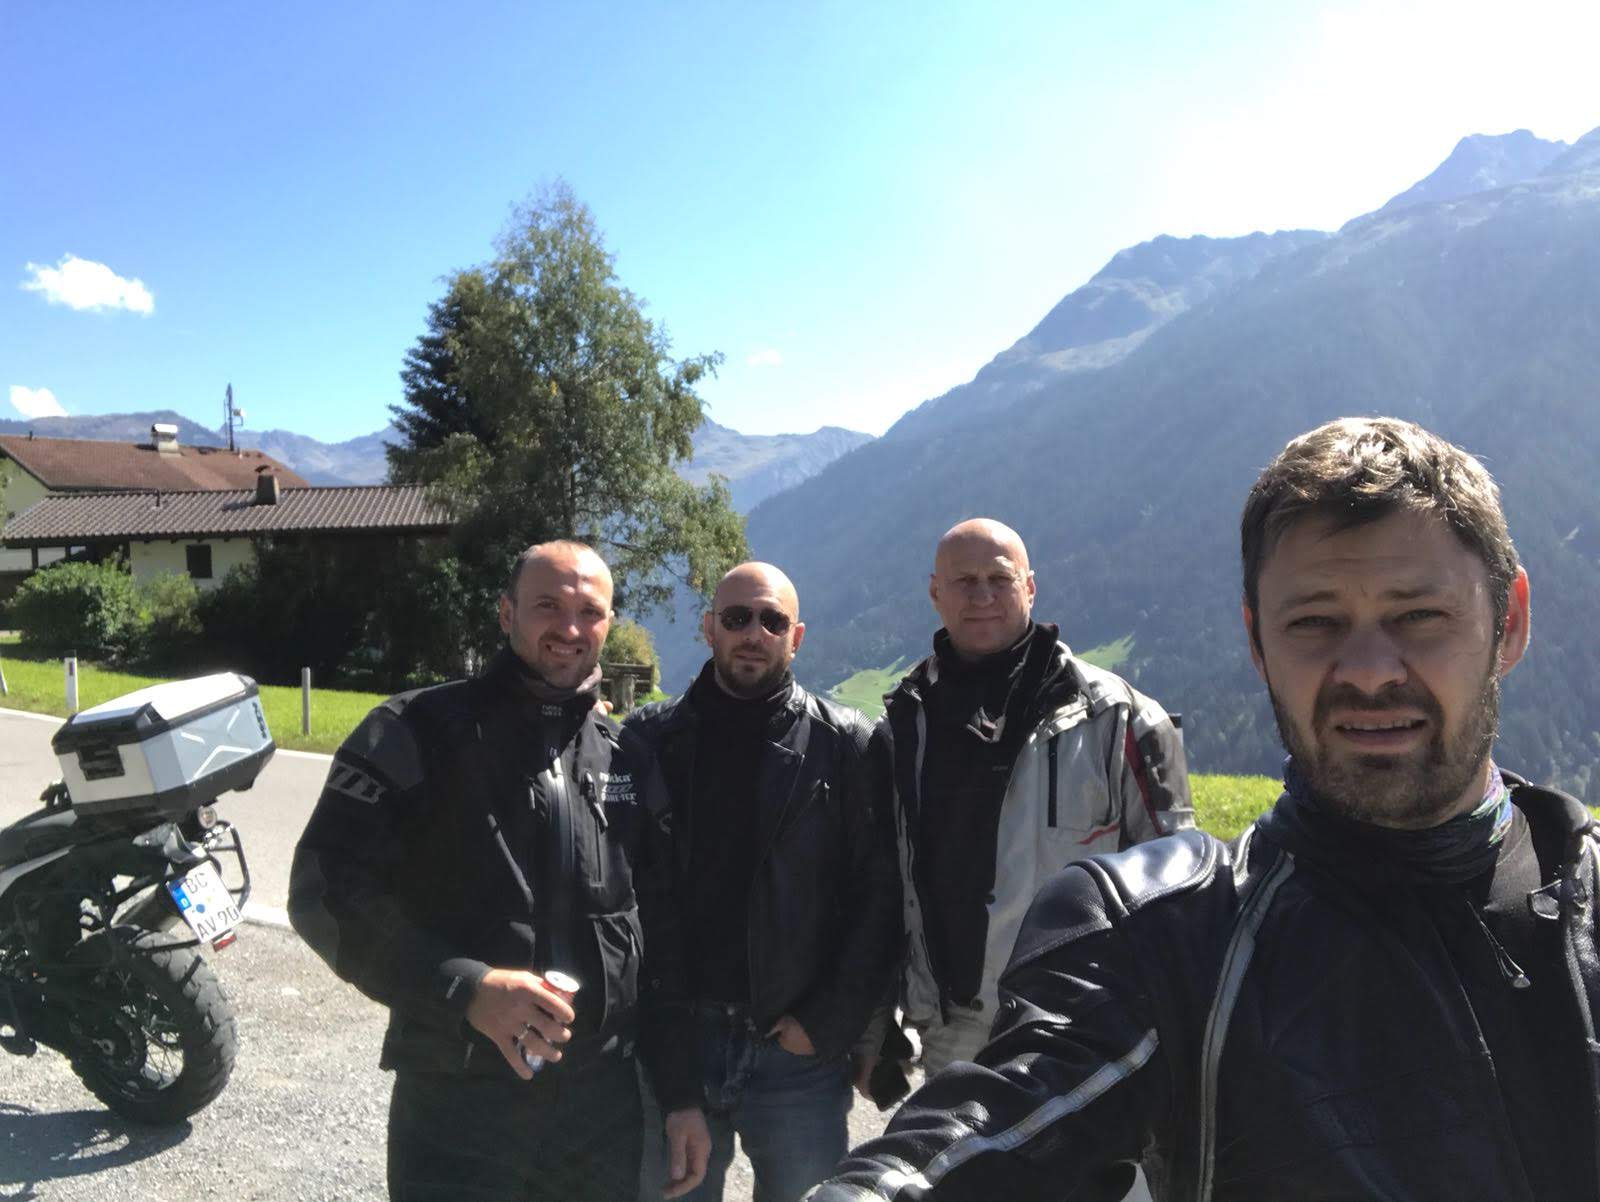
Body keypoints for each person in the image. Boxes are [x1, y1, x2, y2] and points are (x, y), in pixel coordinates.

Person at [807, 417, 1599, 1201]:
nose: (1367, 669)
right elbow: (970, 1138)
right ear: (1258, 643)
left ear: (1510, 622)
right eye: (1314, 621)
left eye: (1420, 615)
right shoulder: (1164, 941)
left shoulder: (1586, 898)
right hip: (948, 1013)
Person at [288, 540, 710, 1201]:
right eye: (548, 606)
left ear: (608, 624)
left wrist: (682, 1095)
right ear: (506, 612)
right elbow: (324, 891)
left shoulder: (627, 755)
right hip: (457, 1103)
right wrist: (466, 988)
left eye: (589, 612)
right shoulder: (414, 730)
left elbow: (663, 937)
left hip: (599, 1114)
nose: (569, 628)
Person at [875, 518, 1192, 1079]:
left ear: (1030, 587)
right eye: (964, 581)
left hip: (1084, 1024)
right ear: (935, 593)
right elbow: (883, 882)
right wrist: (878, 1023)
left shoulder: (1121, 719)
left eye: (1000, 579)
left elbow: (1180, 889)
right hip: (953, 1031)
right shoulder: (904, 722)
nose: (982, 596)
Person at [624, 562, 900, 1202]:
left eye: (773, 620)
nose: (754, 632)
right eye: (737, 617)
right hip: (675, 1044)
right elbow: (627, 896)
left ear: (795, 637)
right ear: (709, 629)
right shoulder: (646, 742)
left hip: (795, 1055)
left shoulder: (849, 744)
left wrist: (828, 1021)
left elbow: (880, 898)